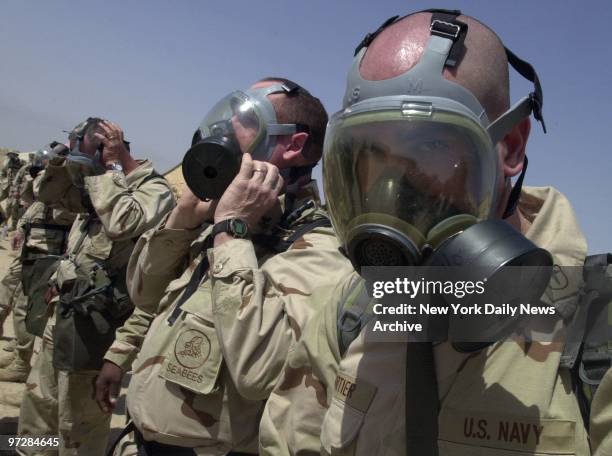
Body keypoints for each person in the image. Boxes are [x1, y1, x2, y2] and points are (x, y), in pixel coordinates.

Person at [262, 9, 612, 456]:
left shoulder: (596, 328)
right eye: (370, 154)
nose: (390, 188)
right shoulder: (353, 307)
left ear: (511, 146)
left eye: (428, 147)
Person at [99, 77, 353, 455]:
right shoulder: (215, 221)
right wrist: (181, 222)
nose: (226, 128)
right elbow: (144, 294)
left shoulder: (317, 249)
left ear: (293, 145)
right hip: (142, 439)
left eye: (247, 120)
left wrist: (232, 232)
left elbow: (261, 373)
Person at [17, 117, 175, 456]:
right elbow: (46, 194)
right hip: (59, 321)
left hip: (94, 335)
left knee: (78, 431)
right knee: (37, 412)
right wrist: (63, 158)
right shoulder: (96, 187)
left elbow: (121, 223)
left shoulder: (151, 190)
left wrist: (110, 167)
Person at [0, 157, 75, 385]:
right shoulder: (55, 182)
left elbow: (47, 198)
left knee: (25, 307)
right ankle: (18, 353)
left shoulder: (72, 185)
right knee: (10, 293)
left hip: (46, 254)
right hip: (32, 248)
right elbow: (36, 204)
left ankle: (22, 363)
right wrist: (22, 228)